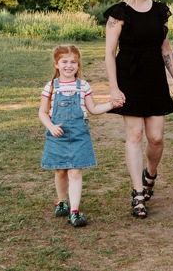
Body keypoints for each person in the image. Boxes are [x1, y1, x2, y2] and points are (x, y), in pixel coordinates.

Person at [104, 0, 173, 219]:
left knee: (156, 138)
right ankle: (137, 193)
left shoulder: (160, 12)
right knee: (134, 135)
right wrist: (113, 88)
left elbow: (165, 49)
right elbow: (110, 54)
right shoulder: (118, 14)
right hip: (129, 78)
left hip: (155, 78)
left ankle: (150, 175)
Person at [39, 44, 121, 227]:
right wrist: (51, 127)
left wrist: (111, 104)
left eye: (73, 62)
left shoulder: (83, 86)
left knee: (75, 171)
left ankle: (74, 212)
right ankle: (62, 202)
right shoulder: (51, 87)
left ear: (78, 65)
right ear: (56, 64)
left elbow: (93, 109)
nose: (69, 66)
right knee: (60, 171)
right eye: (64, 62)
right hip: (58, 135)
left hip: (79, 135)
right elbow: (43, 113)